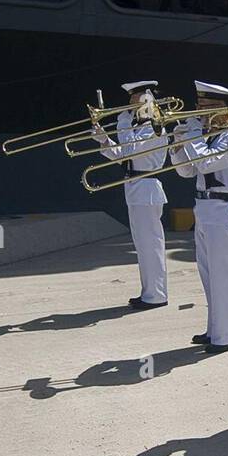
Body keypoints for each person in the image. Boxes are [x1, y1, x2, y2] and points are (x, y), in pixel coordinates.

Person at [171, 81, 228, 353]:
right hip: (203, 210)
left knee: (225, 278)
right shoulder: (205, 138)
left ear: (222, 109)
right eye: (199, 107)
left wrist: (192, 135)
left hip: (222, 210)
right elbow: (187, 172)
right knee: (209, 277)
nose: (200, 113)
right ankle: (215, 328)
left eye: (206, 108)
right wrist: (178, 145)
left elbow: (206, 163)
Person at [95, 81, 170, 308]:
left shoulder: (155, 127)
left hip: (146, 188)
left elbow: (133, 150)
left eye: (133, 99)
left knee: (151, 245)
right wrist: (104, 140)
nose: (128, 104)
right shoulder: (137, 128)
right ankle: (149, 292)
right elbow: (124, 156)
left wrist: (122, 123)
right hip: (135, 187)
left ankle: (157, 295)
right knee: (143, 245)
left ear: (146, 99)